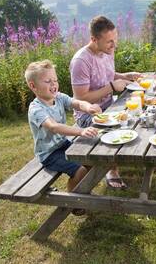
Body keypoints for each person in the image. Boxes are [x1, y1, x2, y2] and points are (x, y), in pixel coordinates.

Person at [70, 15, 141, 189]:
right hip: (89, 116)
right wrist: (111, 87)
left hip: (109, 107)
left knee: (139, 114)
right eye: (110, 41)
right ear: (94, 39)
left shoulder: (108, 51)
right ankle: (110, 170)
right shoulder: (81, 61)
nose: (114, 45)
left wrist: (125, 76)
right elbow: (81, 98)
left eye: (115, 40)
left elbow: (108, 74)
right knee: (120, 127)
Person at [26, 60, 101, 198]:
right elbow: (53, 127)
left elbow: (77, 103)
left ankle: (81, 192)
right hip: (49, 154)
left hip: (63, 144)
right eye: (48, 81)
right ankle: (72, 200)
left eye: (55, 80)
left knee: (91, 161)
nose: (53, 84)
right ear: (33, 86)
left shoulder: (59, 97)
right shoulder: (36, 109)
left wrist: (88, 107)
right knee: (80, 170)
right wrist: (80, 131)